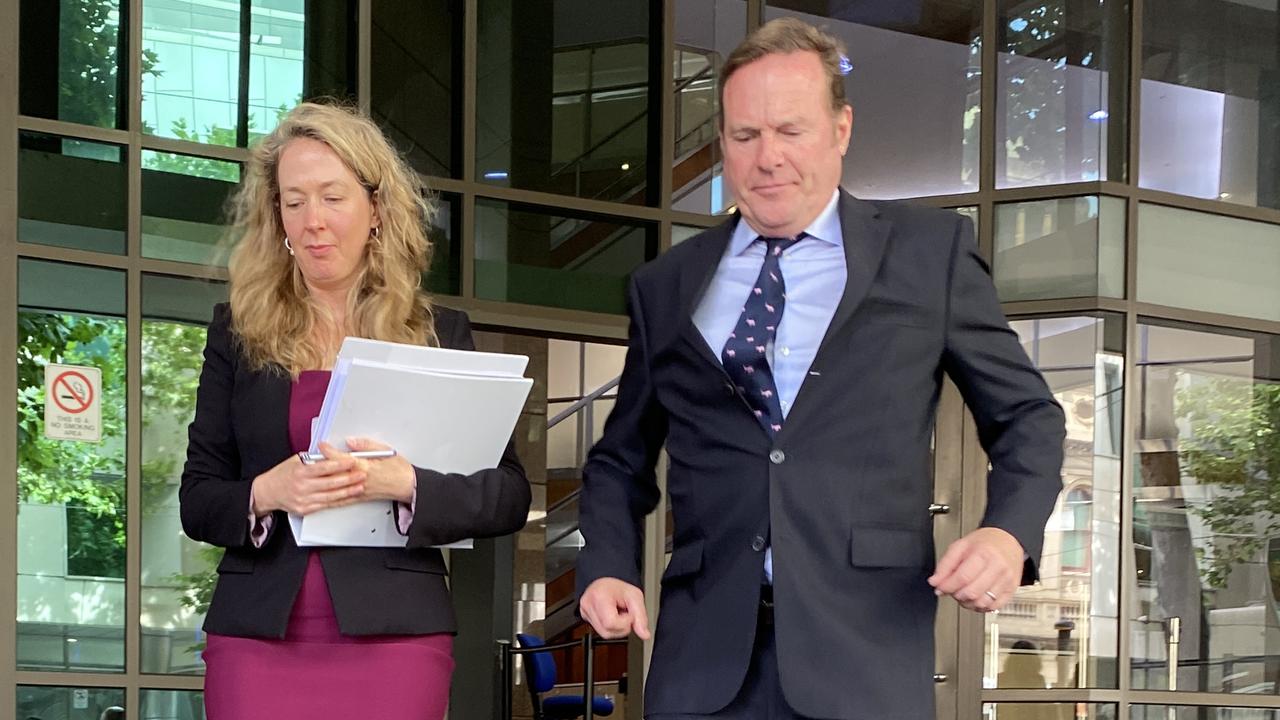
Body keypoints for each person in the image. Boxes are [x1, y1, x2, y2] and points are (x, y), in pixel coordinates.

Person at [575, 18, 1066, 720]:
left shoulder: (930, 255)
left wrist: (1008, 531)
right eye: (746, 136)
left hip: (864, 652)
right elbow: (620, 459)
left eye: (791, 131)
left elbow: (1027, 416)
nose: (767, 156)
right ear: (723, 143)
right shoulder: (666, 284)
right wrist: (608, 564)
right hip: (702, 664)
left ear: (841, 129)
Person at [180, 102, 531, 720]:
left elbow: (507, 494)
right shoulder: (237, 332)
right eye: (294, 201)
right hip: (256, 638)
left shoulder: (438, 333)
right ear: (277, 218)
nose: (313, 221)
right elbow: (198, 498)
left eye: (332, 197)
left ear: (375, 207)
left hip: (397, 639)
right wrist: (268, 490)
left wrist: (408, 484)